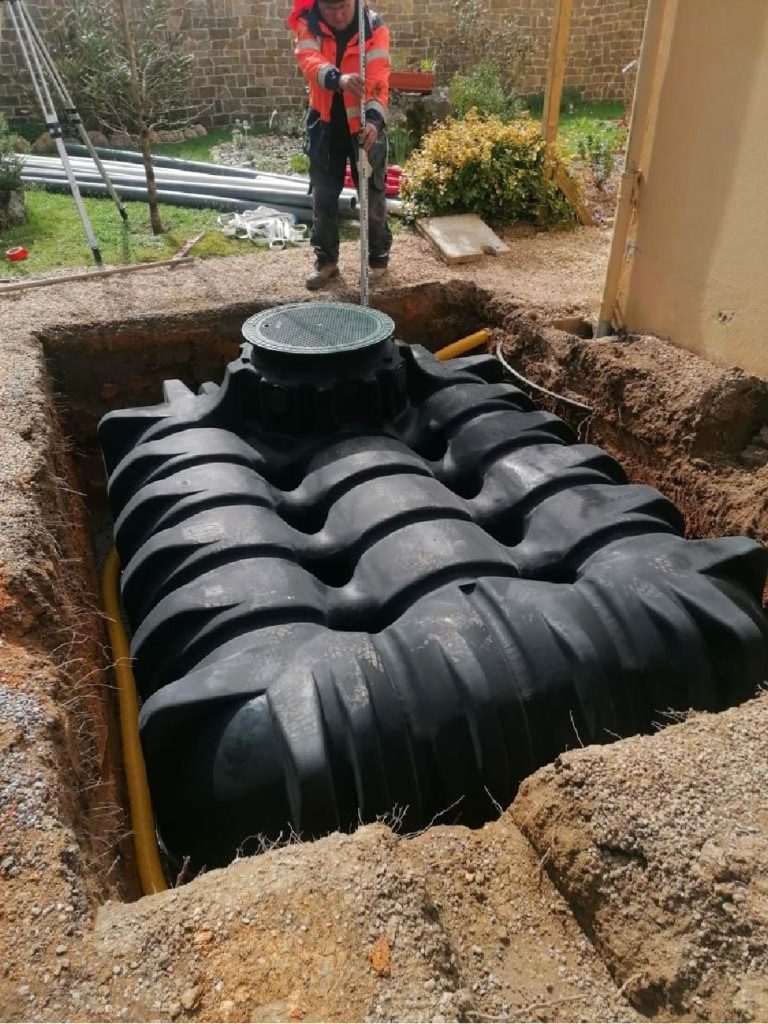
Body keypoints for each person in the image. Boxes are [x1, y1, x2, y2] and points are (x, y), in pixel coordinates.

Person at [288, 0, 393, 290]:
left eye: (343, 8)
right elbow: (309, 61)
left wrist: (373, 121)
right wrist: (339, 79)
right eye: (329, 9)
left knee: (372, 198)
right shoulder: (308, 23)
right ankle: (327, 263)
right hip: (325, 126)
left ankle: (378, 262)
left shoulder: (374, 27)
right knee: (323, 198)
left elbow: (378, 78)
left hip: (364, 126)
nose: (336, 16)